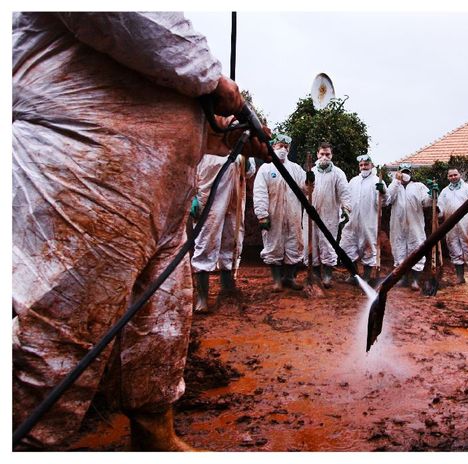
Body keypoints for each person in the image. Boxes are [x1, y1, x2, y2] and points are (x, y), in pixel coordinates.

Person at [12, 12, 269, 451]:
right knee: (56, 333)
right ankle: (27, 444)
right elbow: (126, 16)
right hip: (84, 175)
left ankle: (156, 435)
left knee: (161, 328)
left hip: (159, 196)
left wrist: (217, 130)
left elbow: (149, 91)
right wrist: (214, 81)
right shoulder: (187, 57)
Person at [190, 153, 256, 311]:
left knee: (231, 243)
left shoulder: (240, 147)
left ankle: (227, 292)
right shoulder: (206, 144)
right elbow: (189, 170)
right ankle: (202, 297)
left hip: (234, 202)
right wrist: (191, 196)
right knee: (205, 243)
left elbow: (249, 172)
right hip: (208, 201)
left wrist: (245, 159)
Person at [253, 133, 308, 291]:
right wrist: (262, 214)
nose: (283, 149)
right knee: (273, 245)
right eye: (279, 146)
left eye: (286, 147)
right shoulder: (266, 168)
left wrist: (310, 180)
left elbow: (306, 188)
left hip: (293, 214)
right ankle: (277, 280)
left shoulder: (296, 169)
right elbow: (260, 193)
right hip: (273, 214)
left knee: (294, 244)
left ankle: (289, 278)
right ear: (273, 146)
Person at [303, 142, 352, 288]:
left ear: (332, 155)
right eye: (322, 154)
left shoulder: (338, 173)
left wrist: (346, 209)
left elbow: (344, 193)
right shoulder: (311, 171)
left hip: (329, 214)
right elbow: (303, 190)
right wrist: (307, 182)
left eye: (327, 154)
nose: (324, 157)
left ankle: (327, 275)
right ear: (317, 154)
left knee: (327, 243)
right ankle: (316, 274)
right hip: (311, 213)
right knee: (311, 243)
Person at [384, 163, 434, 291]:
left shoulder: (419, 187)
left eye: (407, 172)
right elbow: (387, 199)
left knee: (416, 248)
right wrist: (395, 181)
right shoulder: (395, 186)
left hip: (415, 225)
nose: (405, 174)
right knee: (399, 249)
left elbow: (427, 202)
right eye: (402, 171)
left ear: (411, 173)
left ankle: (415, 280)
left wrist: (433, 193)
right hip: (398, 224)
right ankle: (403, 279)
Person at [340, 154, 388, 283]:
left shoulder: (377, 181)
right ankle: (354, 275)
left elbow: (385, 201)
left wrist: (383, 191)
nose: (363, 167)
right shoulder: (353, 181)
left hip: (369, 221)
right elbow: (347, 198)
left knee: (368, 247)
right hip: (353, 220)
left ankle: (366, 277)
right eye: (361, 165)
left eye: (366, 164)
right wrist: (345, 210)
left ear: (371, 165)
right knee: (347, 245)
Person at [437, 169, 468, 286]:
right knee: (454, 247)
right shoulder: (445, 191)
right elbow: (440, 208)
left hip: (466, 223)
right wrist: (437, 209)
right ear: (448, 177)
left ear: (459, 175)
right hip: (450, 224)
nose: (453, 177)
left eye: (455, 175)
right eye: (450, 175)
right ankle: (460, 277)